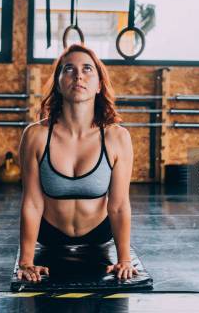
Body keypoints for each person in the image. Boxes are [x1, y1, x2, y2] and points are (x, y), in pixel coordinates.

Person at [17, 44, 138, 283]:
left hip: (99, 233)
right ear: (59, 82)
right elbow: (31, 202)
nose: (78, 75)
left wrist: (124, 260)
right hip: (49, 234)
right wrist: (26, 262)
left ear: (99, 84)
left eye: (87, 69)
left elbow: (119, 205)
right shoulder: (36, 136)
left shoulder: (117, 137)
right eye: (69, 69)